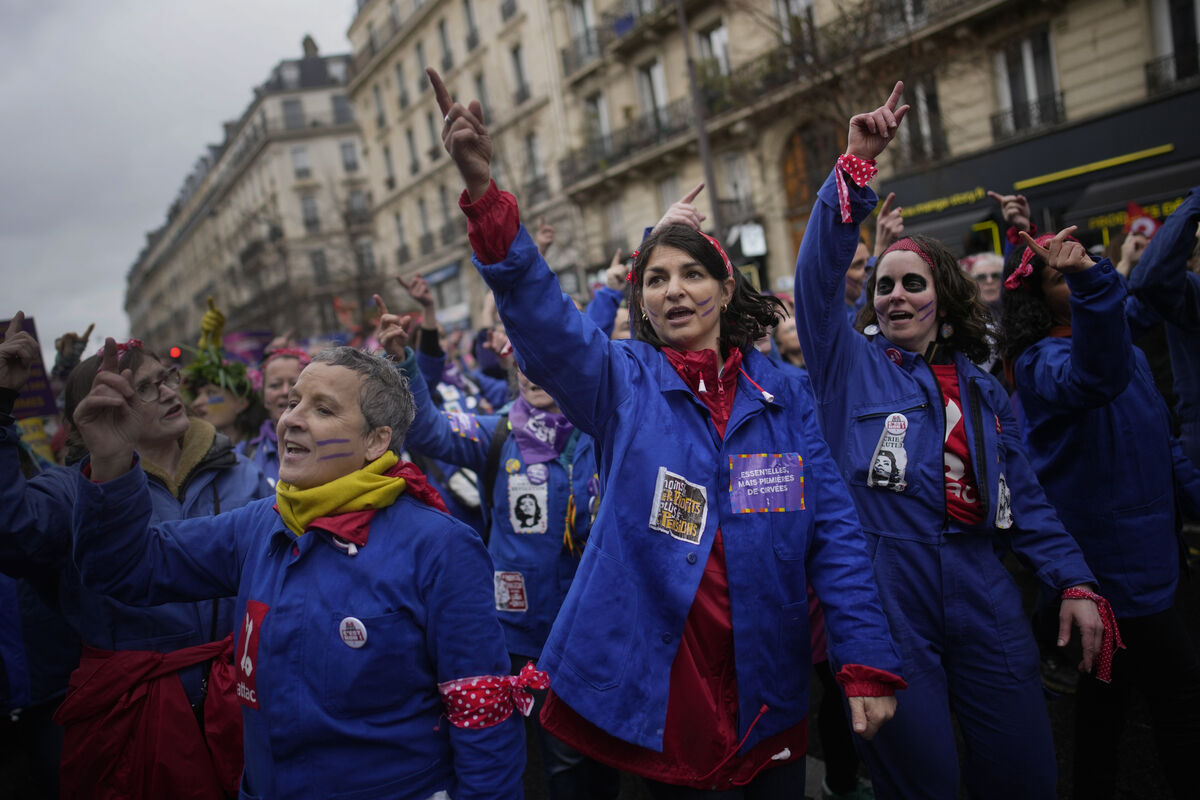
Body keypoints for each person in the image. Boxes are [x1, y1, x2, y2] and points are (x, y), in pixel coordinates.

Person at [428, 66, 904, 796]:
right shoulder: (622, 382)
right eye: (655, 279)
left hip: (768, 687)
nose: (673, 289)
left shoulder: (787, 394)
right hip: (664, 695)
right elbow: (544, 321)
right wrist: (485, 195)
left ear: (725, 289)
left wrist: (864, 658)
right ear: (641, 304)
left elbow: (835, 533)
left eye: (691, 274)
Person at [791, 83, 1109, 800]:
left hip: (982, 585)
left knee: (1025, 772)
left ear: (943, 298)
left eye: (913, 283)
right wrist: (854, 168)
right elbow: (816, 284)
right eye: (884, 286)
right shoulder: (848, 367)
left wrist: (1073, 579)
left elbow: (1026, 498)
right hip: (885, 598)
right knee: (925, 781)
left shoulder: (984, 390)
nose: (895, 296)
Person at [68, 343, 527, 799]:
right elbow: (124, 567)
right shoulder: (259, 524)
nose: (291, 419)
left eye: (323, 409)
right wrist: (110, 460)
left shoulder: (440, 547)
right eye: (292, 403)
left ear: (375, 440)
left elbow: (482, 716)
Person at [0, 314, 271, 798]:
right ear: (98, 412)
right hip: (131, 721)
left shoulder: (239, 472)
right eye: (142, 388)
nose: (167, 392)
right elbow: (12, 532)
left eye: (166, 378)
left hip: (244, 703)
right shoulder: (72, 491)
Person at [378, 302, 618, 800]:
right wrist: (404, 364)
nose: (533, 371)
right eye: (524, 359)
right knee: (555, 759)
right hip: (521, 633)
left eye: (548, 357)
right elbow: (428, 431)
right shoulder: (500, 432)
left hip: (595, 627)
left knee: (599, 753)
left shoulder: (608, 431)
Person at [999, 226, 1200, 800]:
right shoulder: (1039, 363)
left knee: (1105, 704)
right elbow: (1095, 377)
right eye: (1061, 276)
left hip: (1155, 556)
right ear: (1038, 299)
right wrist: (1093, 285)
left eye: (1084, 264)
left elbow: (1162, 442)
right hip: (1112, 571)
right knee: (1182, 698)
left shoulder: (1125, 349)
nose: (1078, 275)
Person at [241, 346, 310, 485]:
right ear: (263, 397)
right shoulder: (244, 455)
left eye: (294, 383)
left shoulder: (329, 447)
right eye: (275, 385)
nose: (285, 391)